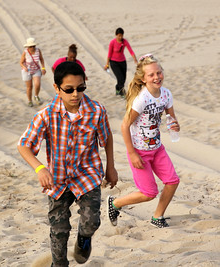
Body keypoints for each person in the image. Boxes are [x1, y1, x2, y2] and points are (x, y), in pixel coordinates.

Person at [18, 61, 118, 266]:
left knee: (92, 221)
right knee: (59, 231)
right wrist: (39, 168)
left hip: (87, 174)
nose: (75, 94)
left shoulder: (96, 111)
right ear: (57, 88)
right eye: (69, 89)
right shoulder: (46, 115)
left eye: (81, 88)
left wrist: (110, 167)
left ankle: (83, 239)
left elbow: (106, 138)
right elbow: (23, 145)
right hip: (58, 179)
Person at [107, 54, 180, 229]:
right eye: (151, 75)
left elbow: (172, 118)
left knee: (172, 181)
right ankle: (115, 203)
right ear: (143, 78)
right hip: (139, 152)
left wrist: (175, 126)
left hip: (157, 149)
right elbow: (125, 126)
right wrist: (132, 153)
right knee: (149, 193)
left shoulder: (166, 94)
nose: (157, 77)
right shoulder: (142, 99)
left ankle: (157, 217)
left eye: (159, 73)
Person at [104, 27, 138, 96]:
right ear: (116, 35)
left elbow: (130, 50)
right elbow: (109, 54)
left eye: (121, 35)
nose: (120, 37)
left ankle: (117, 88)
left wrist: (134, 59)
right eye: (119, 35)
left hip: (122, 62)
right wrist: (107, 64)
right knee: (120, 78)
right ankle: (121, 92)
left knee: (123, 78)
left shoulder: (124, 41)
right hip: (114, 62)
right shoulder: (112, 42)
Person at [19, 37, 46, 107]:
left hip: (36, 70)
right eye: (31, 46)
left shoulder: (38, 51)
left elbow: (41, 59)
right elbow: (21, 62)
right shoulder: (25, 52)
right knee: (29, 87)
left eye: (33, 46)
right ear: (28, 47)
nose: (32, 48)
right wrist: (24, 67)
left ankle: (36, 96)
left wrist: (43, 68)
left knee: (37, 84)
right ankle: (29, 100)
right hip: (27, 71)